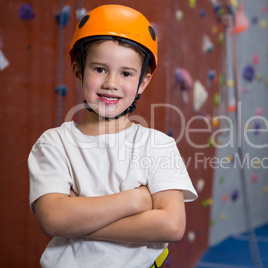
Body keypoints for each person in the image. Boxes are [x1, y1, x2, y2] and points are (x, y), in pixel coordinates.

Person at [28, 5, 198, 268]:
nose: (111, 83)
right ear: (77, 71)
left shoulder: (157, 145)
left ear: (143, 82)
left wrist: (76, 222)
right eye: (99, 69)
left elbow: (171, 225)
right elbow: (52, 219)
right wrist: (136, 200)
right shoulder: (54, 143)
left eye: (126, 73)